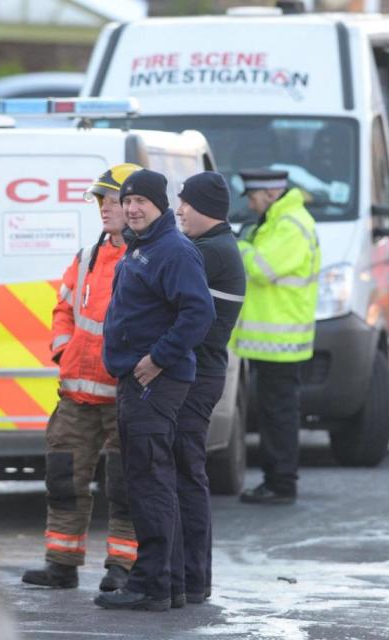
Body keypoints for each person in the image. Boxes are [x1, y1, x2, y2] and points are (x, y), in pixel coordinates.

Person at [95, 169, 214, 612]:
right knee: (151, 480)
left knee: (150, 483)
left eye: (141, 201)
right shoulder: (143, 246)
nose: (132, 208)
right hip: (138, 381)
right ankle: (171, 584)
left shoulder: (172, 250)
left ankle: (152, 585)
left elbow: (197, 313)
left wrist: (157, 358)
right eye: (127, 201)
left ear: (160, 204)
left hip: (154, 383)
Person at [21, 164, 141, 592]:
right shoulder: (87, 256)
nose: (104, 209)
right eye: (101, 201)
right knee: (63, 478)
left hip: (123, 396)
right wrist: (62, 349)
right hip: (76, 394)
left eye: (112, 201)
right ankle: (61, 564)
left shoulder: (145, 258)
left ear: (133, 205)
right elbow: (63, 308)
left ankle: (123, 567)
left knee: (125, 485)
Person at [172, 172, 245, 605]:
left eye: (186, 204)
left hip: (196, 376)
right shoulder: (208, 247)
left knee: (186, 475)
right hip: (200, 373)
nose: (178, 211)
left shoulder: (208, 252)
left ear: (207, 210)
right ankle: (189, 577)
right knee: (185, 474)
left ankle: (191, 578)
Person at [233, 168, 321, 505]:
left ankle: (280, 482)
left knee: (279, 416)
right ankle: (277, 479)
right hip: (274, 341)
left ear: (271, 194)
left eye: (254, 198)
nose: (252, 206)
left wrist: (237, 246)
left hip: (281, 342)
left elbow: (262, 269)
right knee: (274, 414)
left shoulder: (290, 225)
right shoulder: (277, 221)